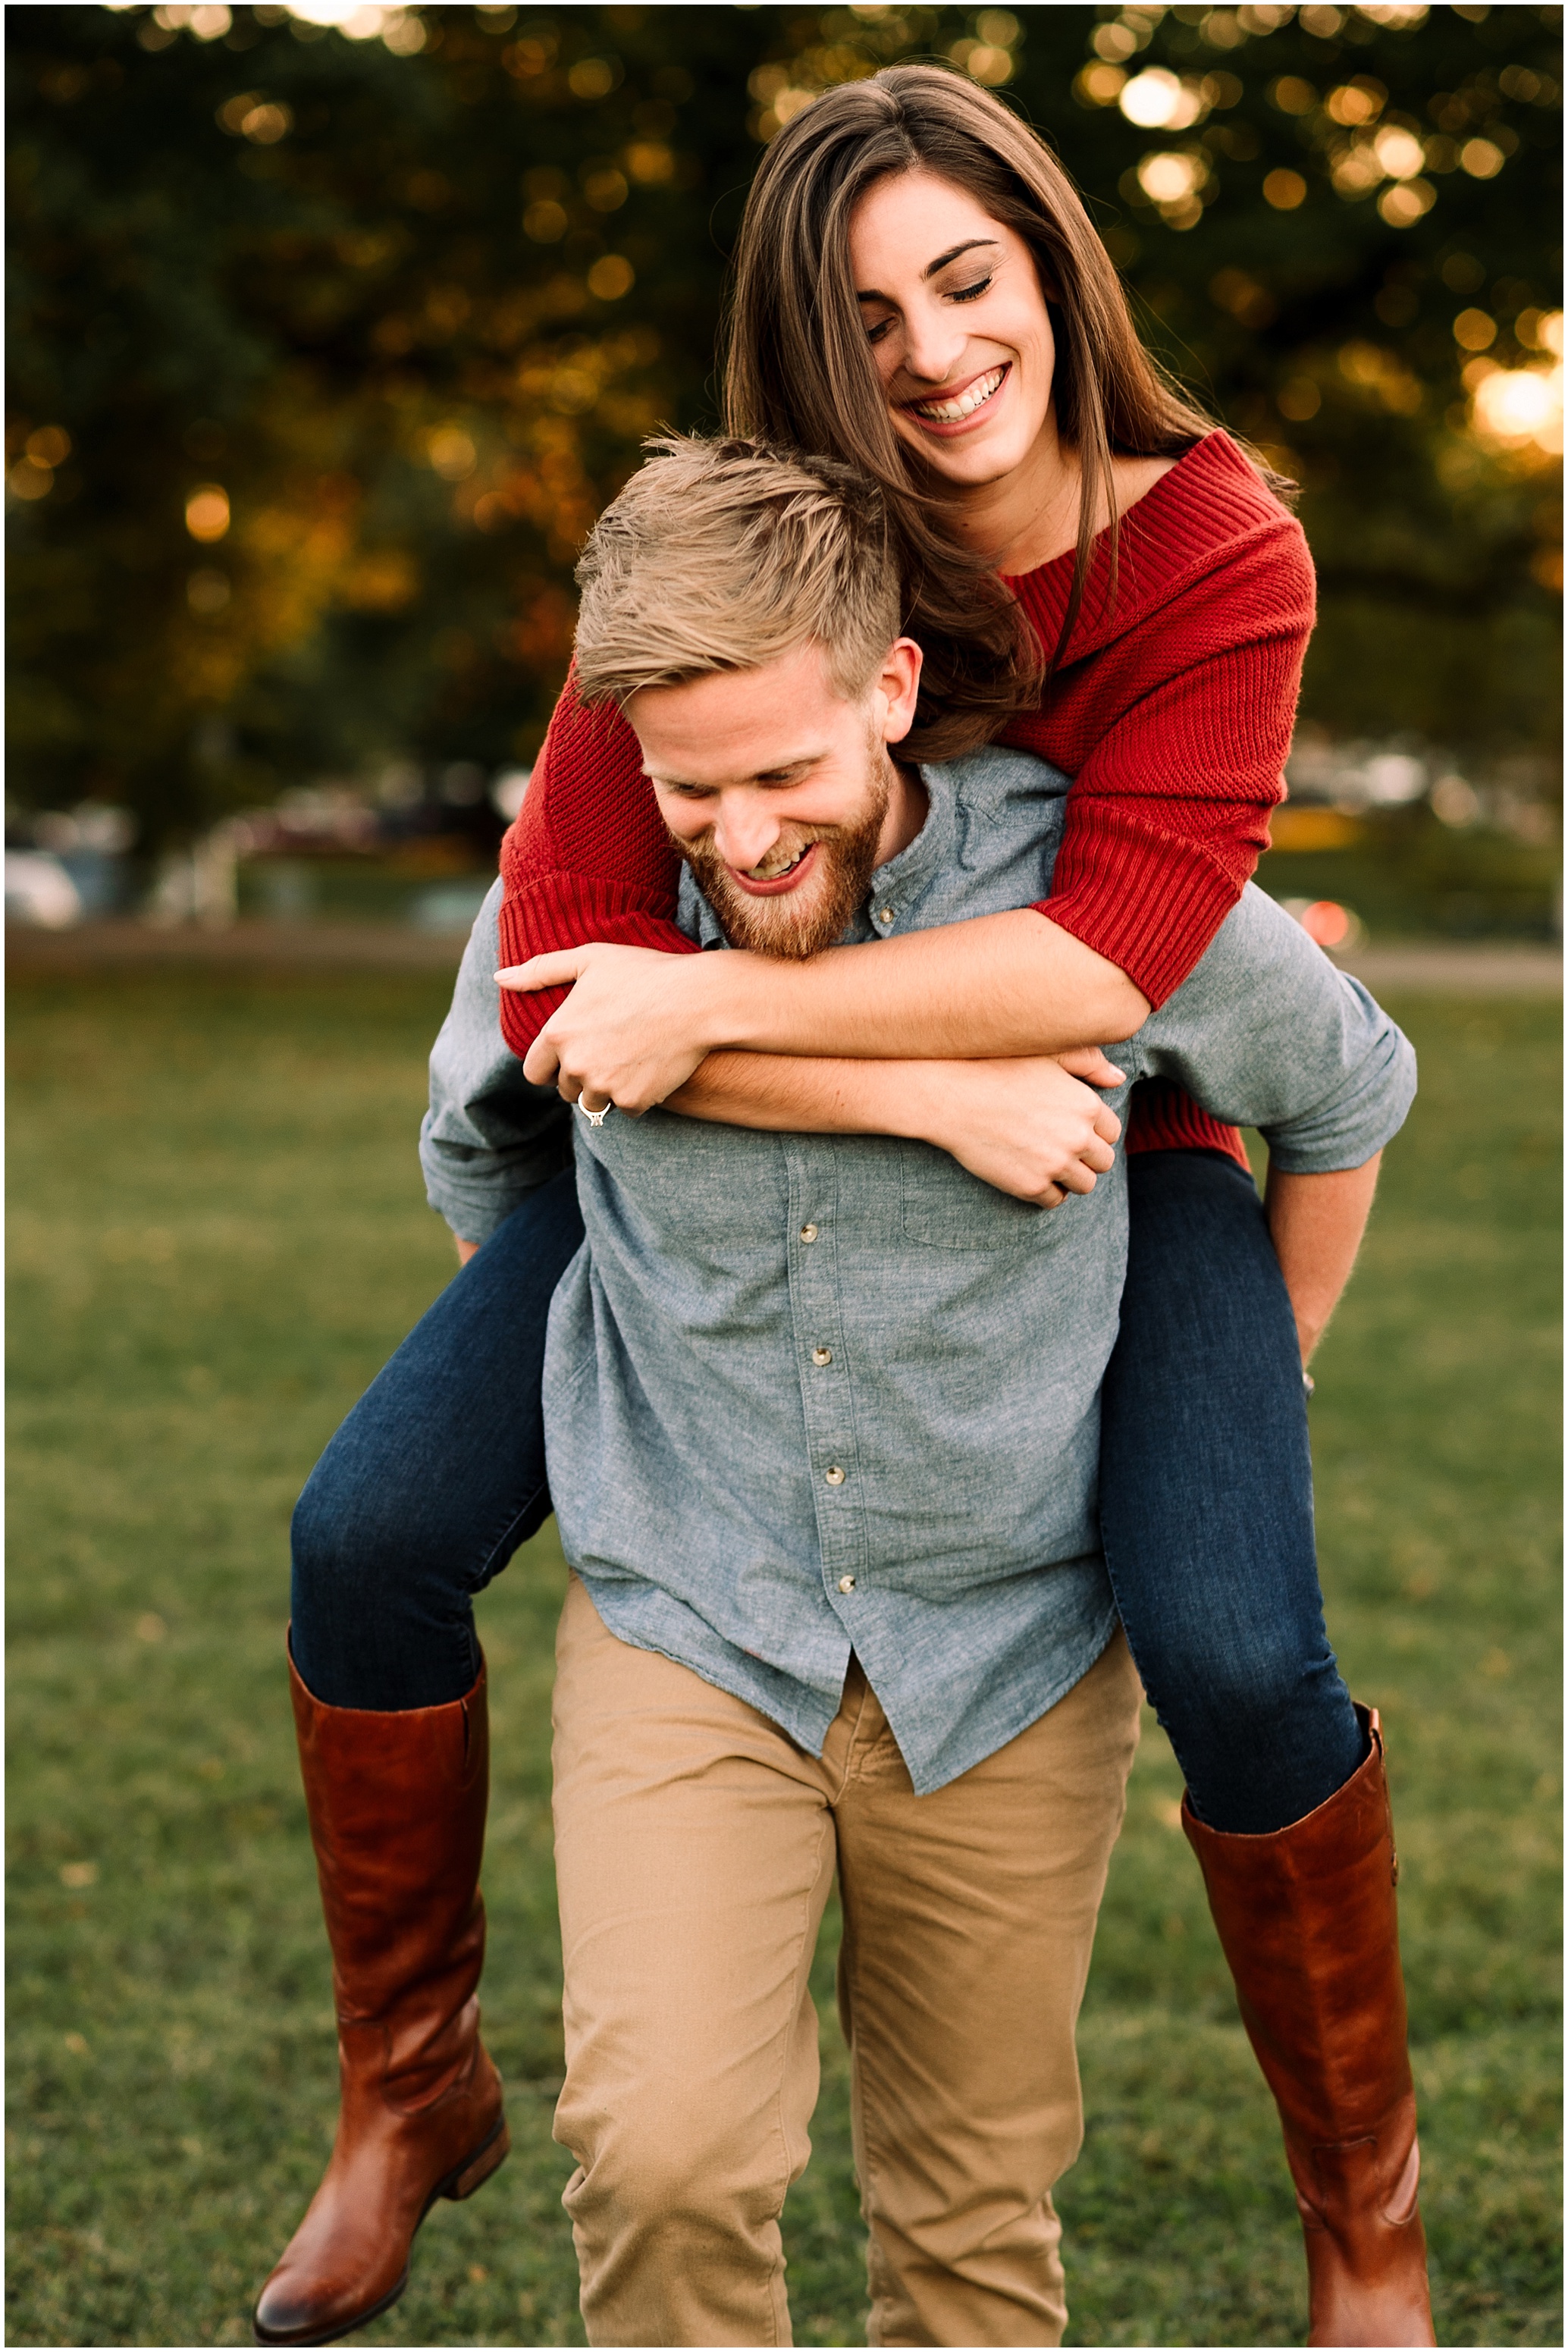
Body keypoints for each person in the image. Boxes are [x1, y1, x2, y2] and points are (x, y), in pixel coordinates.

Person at [257, 439, 1421, 2349]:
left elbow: (1346, 1088)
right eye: (685, 787)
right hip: (693, 1618)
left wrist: (1263, 1366)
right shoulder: (596, 898)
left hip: (1004, 1650)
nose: (736, 833)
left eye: (784, 772)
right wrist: (596, 1340)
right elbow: (487, 1142)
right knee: (661, 2161)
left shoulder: (1094, 897)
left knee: (968, 2229)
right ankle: (408, 2080)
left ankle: (1364, 2221)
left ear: (891, 691)